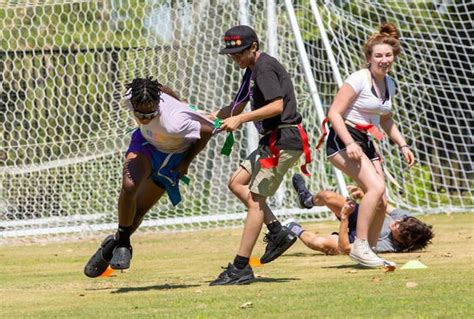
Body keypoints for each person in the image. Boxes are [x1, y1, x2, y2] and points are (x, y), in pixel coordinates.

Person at [209, 25, 311, 286]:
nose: (235, 59)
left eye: (239, 54)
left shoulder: (264, 67)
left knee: (255, 201)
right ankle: (276, 231)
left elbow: (276, 105)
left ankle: (241, 267)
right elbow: (236, 106)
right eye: (231, 55)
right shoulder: (251, 71)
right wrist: (211, 117)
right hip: (272, 142)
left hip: (283, 141)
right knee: (236, 182)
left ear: (253, 47)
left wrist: (240, 119)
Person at [84, 78, 214, 277]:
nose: (144, 119)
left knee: (139, 211)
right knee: (129, 185)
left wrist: (186, 162)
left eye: (151, 114)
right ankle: (124, 245)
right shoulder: (132, 96)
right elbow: (161, 86)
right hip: (145, 144)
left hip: (172, 157)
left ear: (158, 105)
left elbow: (208, 130)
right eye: (139, 114)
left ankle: (111, 246)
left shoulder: (176, 122)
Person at [325, 23, 415, 267]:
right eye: (378, 55)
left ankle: (369, 251)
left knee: (382, 200)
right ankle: (361, 244)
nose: (384, 60)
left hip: (365, 142)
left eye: (388, 55)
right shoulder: (358, 79)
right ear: (369, 57)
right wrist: (350, 142)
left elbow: (386, 119)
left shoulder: (390, 84)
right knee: (375, 188)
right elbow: (334, 113)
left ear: (394, 57)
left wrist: (403, 145)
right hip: (343, 140)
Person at [288, 174, 434, 256]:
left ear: (402, 241)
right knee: (327, 196)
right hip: (361, 217)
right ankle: (307, 200)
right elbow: (382, 205)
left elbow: (346, 247)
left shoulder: (386, 247)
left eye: (399, 227)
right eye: (401, 220)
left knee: (322, 244)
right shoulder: (405, 219)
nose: (397, 222)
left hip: (354, 239)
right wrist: (364, 195)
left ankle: (292, 227)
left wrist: (344, 218)